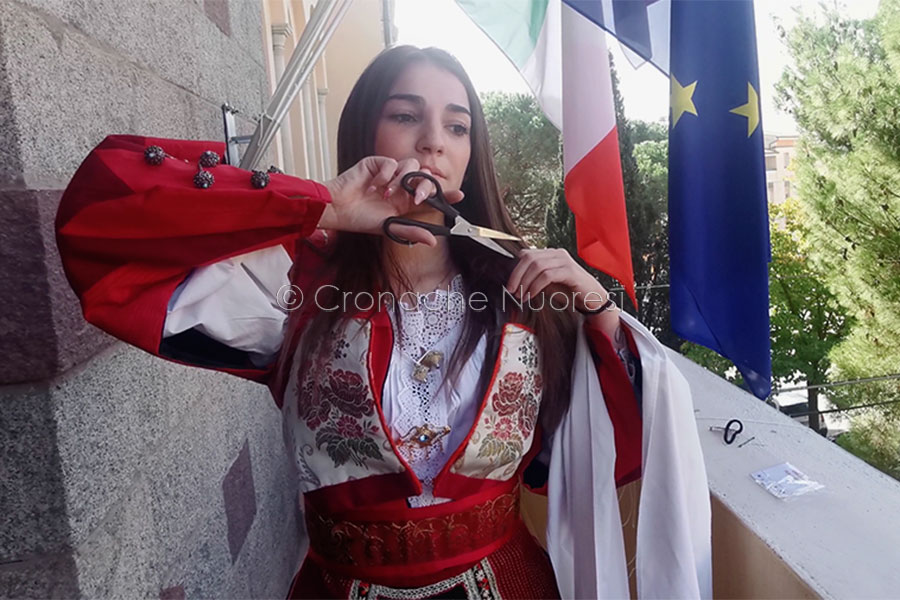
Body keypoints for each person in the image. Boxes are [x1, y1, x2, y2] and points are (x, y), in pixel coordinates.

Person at [56, 46, 711, 599]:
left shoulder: (524, 288)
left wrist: (596, 307)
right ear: (366, 132)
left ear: (470, 151)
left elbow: (632, 434)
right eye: (405, 116)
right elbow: (98, 222)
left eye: (457, 126)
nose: (433, 139)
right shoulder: (295, 281)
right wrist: (321, 209)